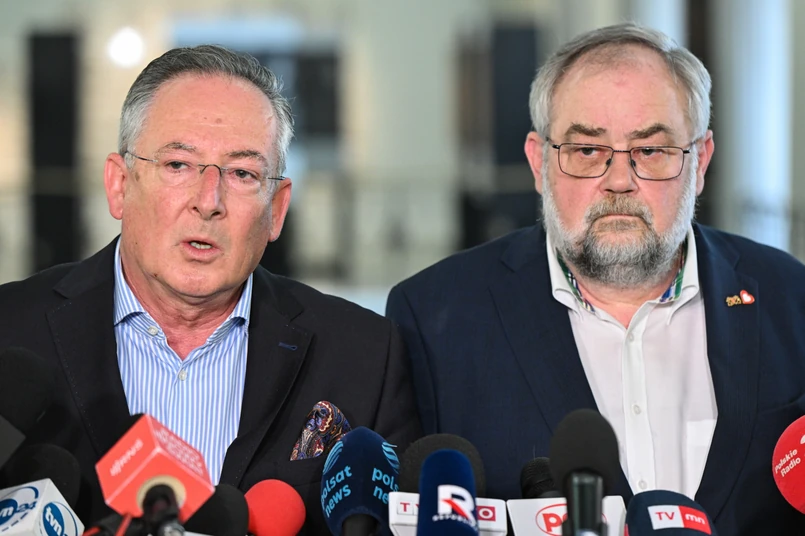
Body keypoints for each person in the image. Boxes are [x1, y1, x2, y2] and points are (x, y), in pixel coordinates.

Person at [386, 22, 805, 534]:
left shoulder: (791, 298)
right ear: (539, 162)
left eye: (651, 151)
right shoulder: (433, 320)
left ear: (699, 162)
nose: (620, 180)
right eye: (587, 151)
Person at [0, 45, 421, 533]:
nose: (208, 201)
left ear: (276, 209)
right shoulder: (11, 328)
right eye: (178, 164)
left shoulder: (364, 354)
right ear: (119, 184)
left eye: (242, 173)